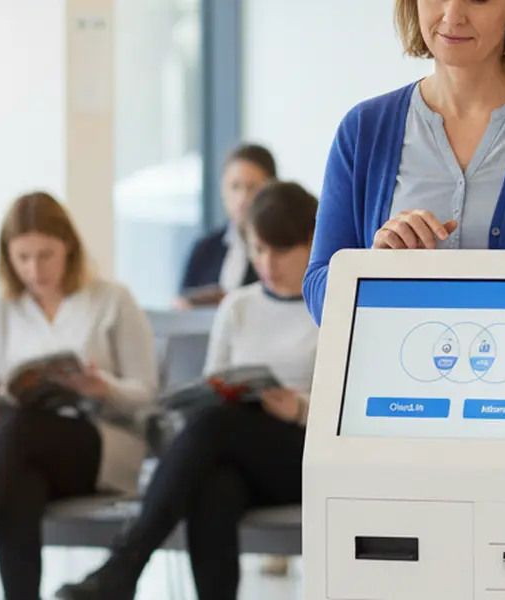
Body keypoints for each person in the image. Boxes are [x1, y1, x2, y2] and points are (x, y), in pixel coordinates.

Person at [54, 182, 320, 600]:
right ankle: (126, 570)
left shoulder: (330, 304)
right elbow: (215, 382)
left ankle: (126, 563)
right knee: (214, 486)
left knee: (214, 427)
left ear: (311, 241)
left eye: (281, 251)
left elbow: (350, 405)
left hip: (305, 451)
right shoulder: (239, 305)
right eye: (258, 249)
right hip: (240, 450)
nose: (268, 264)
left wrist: (298, 408)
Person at [302, 0, 505, 324]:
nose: (452, 15)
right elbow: (318, 292)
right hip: (390, 374)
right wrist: (374, 270)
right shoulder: (363, 129)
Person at [0, 192, 159, 600]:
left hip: (104, 446)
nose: (34, 270)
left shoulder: (112, 300)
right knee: (18, 485)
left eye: (45, 255)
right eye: (22, 258)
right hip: (27, 450)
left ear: (68, 247)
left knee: (21, 431)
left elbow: (147, 394)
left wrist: (102, 386)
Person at [174, 144, 275, 309]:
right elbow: (181, 304)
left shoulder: (278, 249)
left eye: (253, 188)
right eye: (235, 187)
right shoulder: (205, 248)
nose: (243, 198)